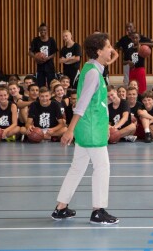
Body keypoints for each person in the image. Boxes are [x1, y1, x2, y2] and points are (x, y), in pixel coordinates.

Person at [52, 33, 119, 225]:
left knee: (77, 168)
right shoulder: (92, 73)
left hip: (92, 127)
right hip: (89, 129)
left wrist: (105, 125)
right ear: (99, 51)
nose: (111, 50)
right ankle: (98, 211)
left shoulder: (94, 68)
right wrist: (69, 129)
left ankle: (61, 208)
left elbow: (98, 104)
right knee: (102, 167)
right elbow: (81, 104)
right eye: (107, 47)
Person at [28, 23, 58, 88]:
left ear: (47, 30)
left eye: (44, 30)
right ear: (39, 31)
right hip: (40, 66)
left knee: (52, 85)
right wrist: (35, 56)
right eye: (41, 30)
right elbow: (30, 52)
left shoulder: (51, 40)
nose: (43, 31)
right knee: (40, 85)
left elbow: (54, 53)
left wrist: (47, 58)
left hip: (50, 66)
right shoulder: (35, 40)